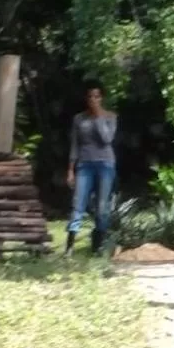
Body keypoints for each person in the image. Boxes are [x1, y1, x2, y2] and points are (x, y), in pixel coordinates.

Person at [66, 81, 117, 254]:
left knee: (102, 206)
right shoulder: (79, 119)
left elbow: (107, 139)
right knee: (78, 203)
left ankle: (98, 245)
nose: (93, 99)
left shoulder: (110, 117)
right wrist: (70, 169)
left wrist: (98, 117)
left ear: (101, 98)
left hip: (105, 164)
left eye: (96, 96)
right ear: (86, 98)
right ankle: (70, 246)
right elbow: (74, 144)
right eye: (90, 96)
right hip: (84, 164)